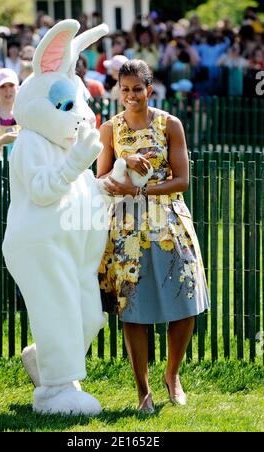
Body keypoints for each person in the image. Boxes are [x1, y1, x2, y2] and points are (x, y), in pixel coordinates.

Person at [97, 59, 209, 412]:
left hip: (170, 219)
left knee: (186, 301)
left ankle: (172, 375)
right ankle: (142, 390)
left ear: (150, 88)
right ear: (119, 90)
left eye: (137, 89)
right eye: (125, 89)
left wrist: (144, 192)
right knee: (133, 309)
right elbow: (102, 181)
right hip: (126, 227)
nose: (131, 96)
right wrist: (124, 165)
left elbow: (182, 180)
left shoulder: (169, 124)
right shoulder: (109, 129)